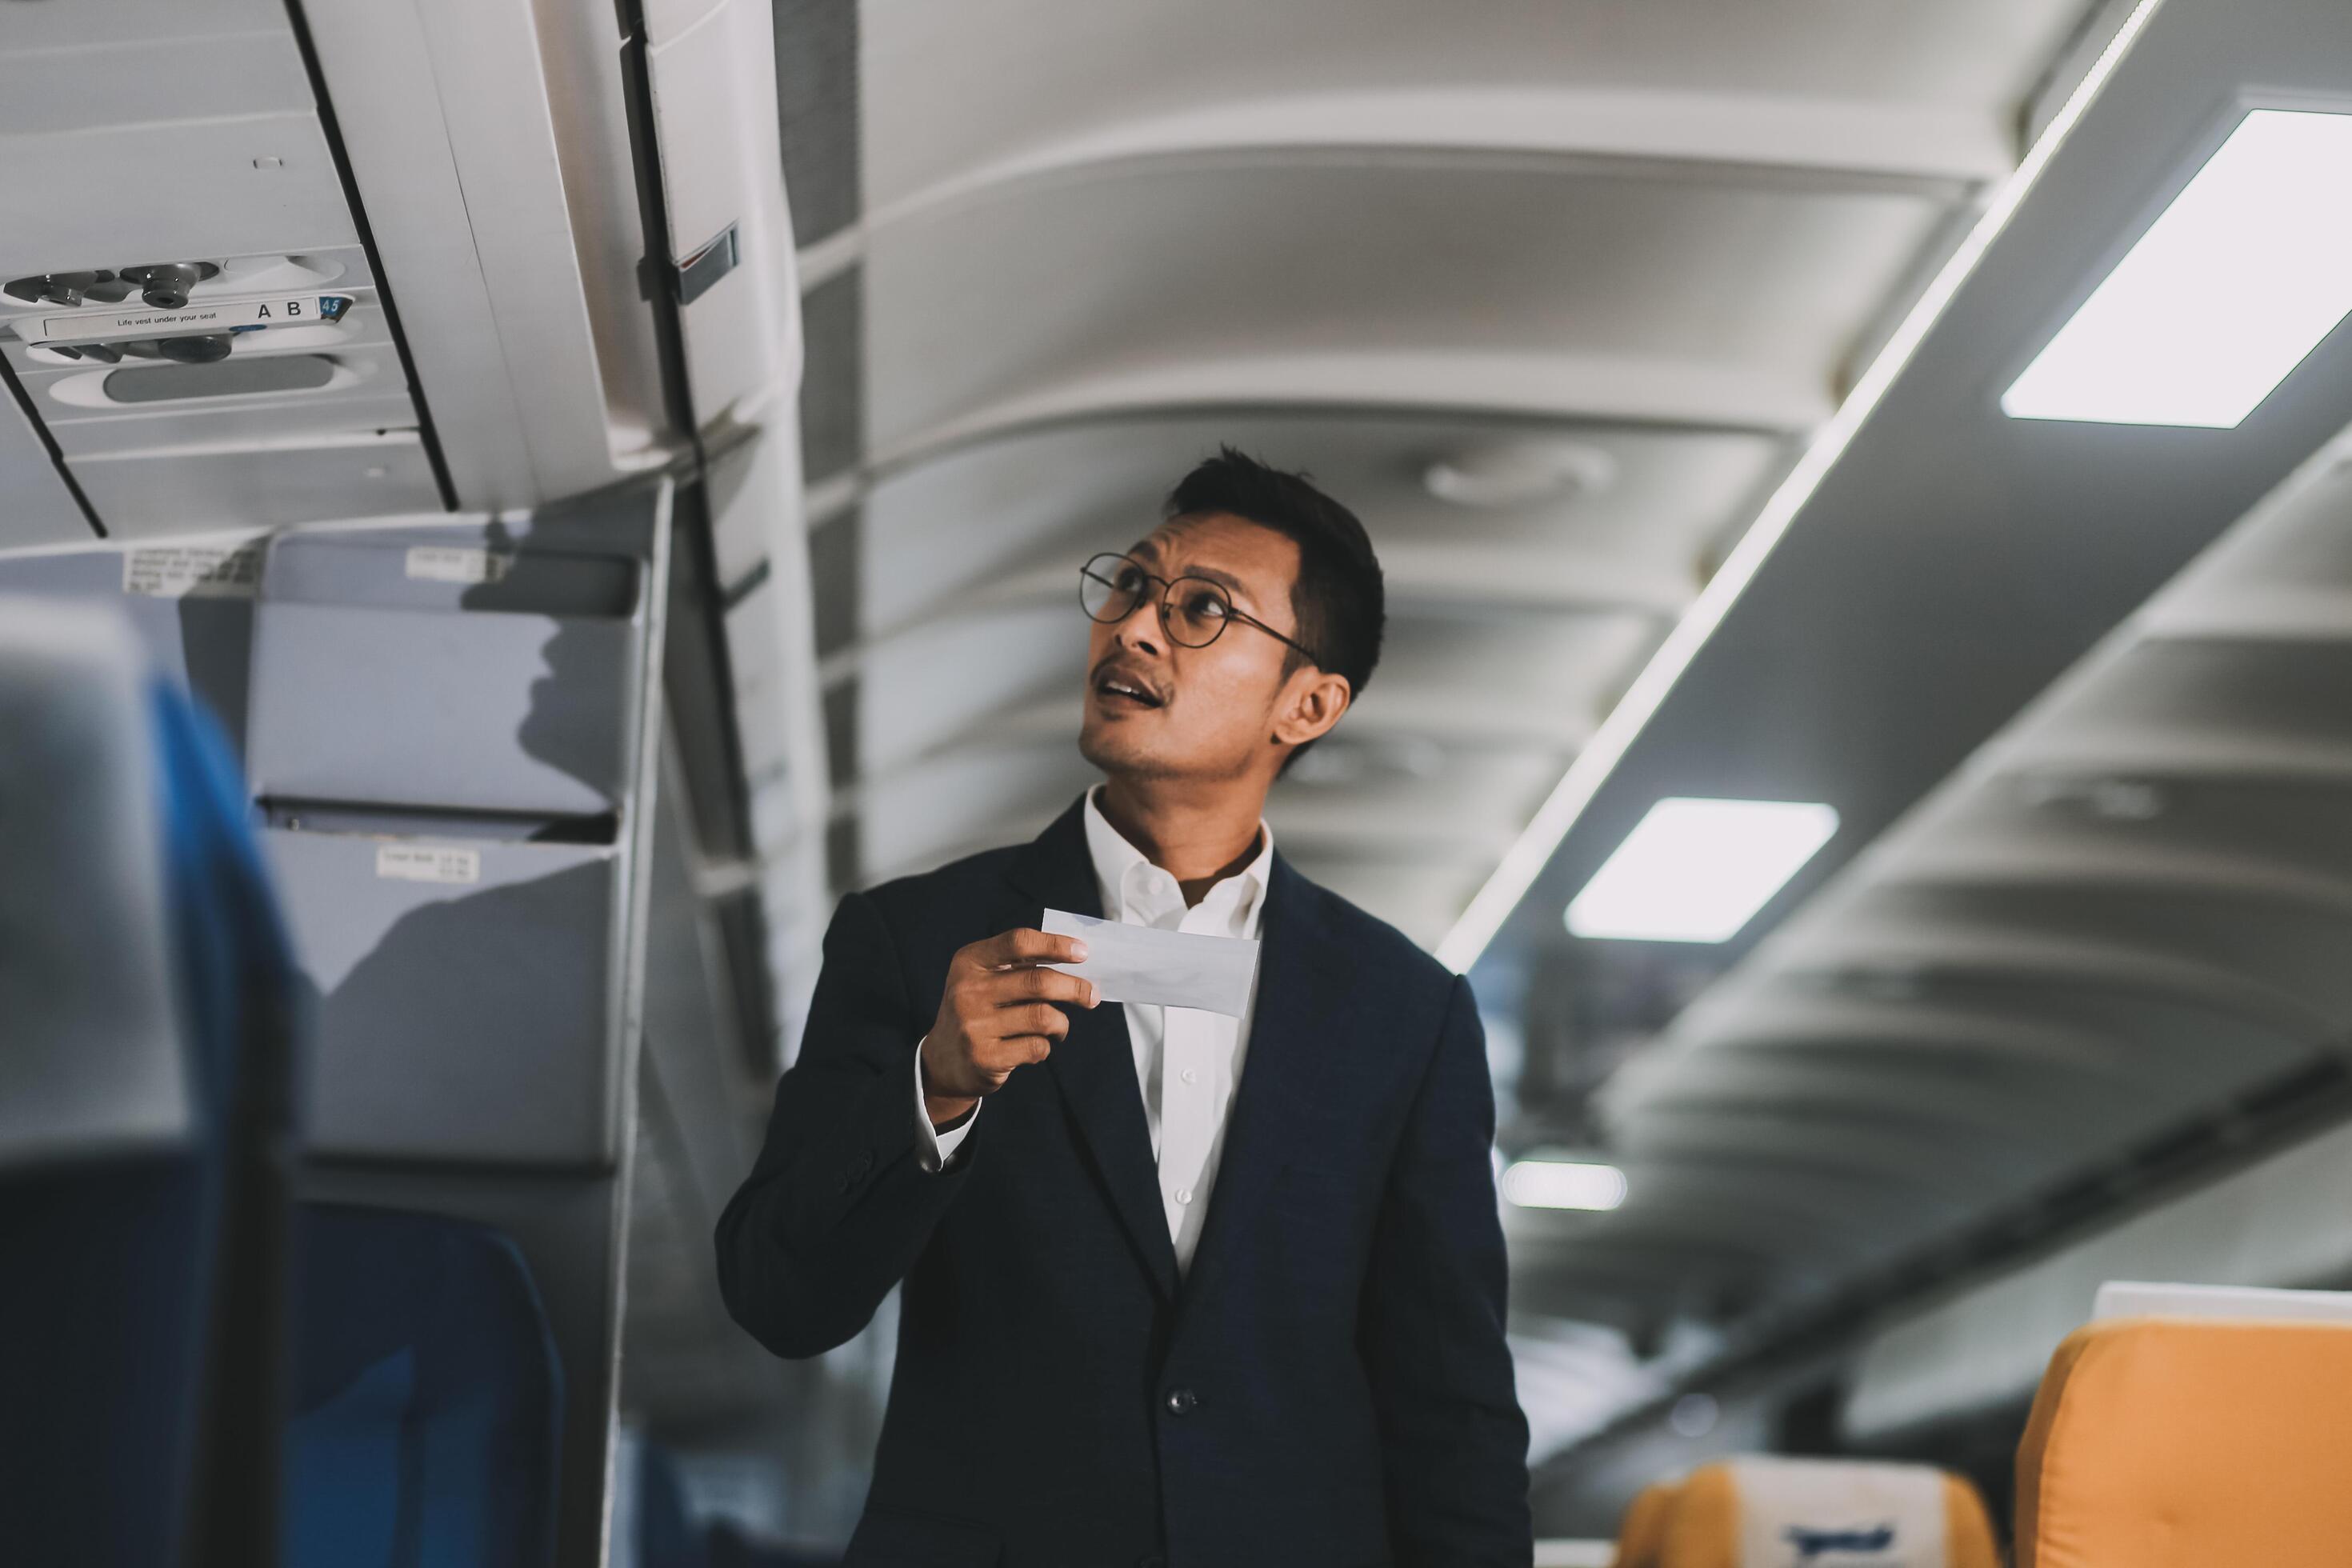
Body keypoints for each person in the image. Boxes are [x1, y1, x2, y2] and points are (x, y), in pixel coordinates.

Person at [716, 447, 1531, 1567]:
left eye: (1203, 610)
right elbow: (778, 1294)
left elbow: (1455, 1406)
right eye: (1134, 587)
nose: (1137, 630)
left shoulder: (1402, 1013)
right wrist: (935, 1088)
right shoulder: (920, 942)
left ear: (1310, 703)